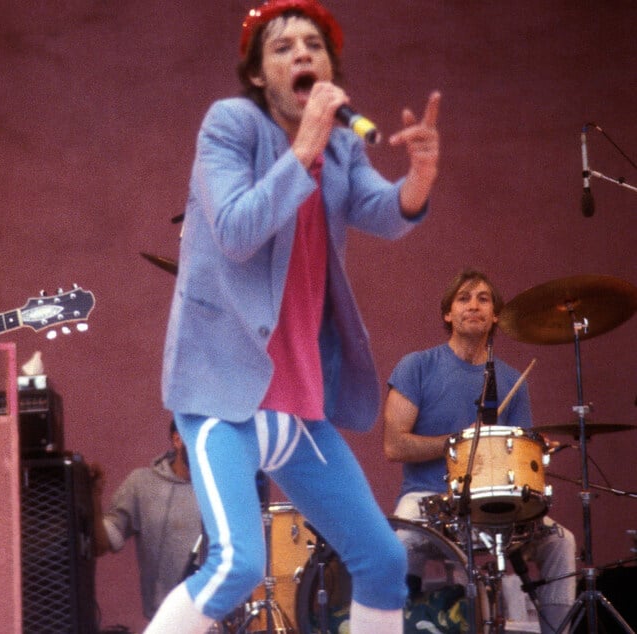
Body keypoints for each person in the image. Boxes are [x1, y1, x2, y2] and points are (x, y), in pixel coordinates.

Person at [152, 0, 442, 631]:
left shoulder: (341, 148)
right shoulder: (230, 125)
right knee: (236, 565)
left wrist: (417, 180)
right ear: (257, 75)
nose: (303, 54)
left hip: (297, 401)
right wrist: (305, 141)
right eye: (283, 48)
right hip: (223, 388)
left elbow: (380, 211)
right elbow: (235, 229)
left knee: (383, 560)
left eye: (314, 45)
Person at [383, 268, 577, 634]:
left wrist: (535, 449)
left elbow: (517, 456)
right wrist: (459, 442)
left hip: (494, 504)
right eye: (464, 298)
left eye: (484, 299)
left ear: (496, 315)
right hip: (428, 498)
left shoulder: (510, 379)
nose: (474, 305)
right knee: (400, 545)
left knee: (561, 543)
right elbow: (394, 445)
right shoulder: (417, 367)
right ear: (448, 313)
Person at [91, 420, 204, 622]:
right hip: (166, 620)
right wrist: (93, 497)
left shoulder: (221, 486)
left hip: (219, 619)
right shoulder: (142, 484)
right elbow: (101, 544)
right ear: (177, 439)